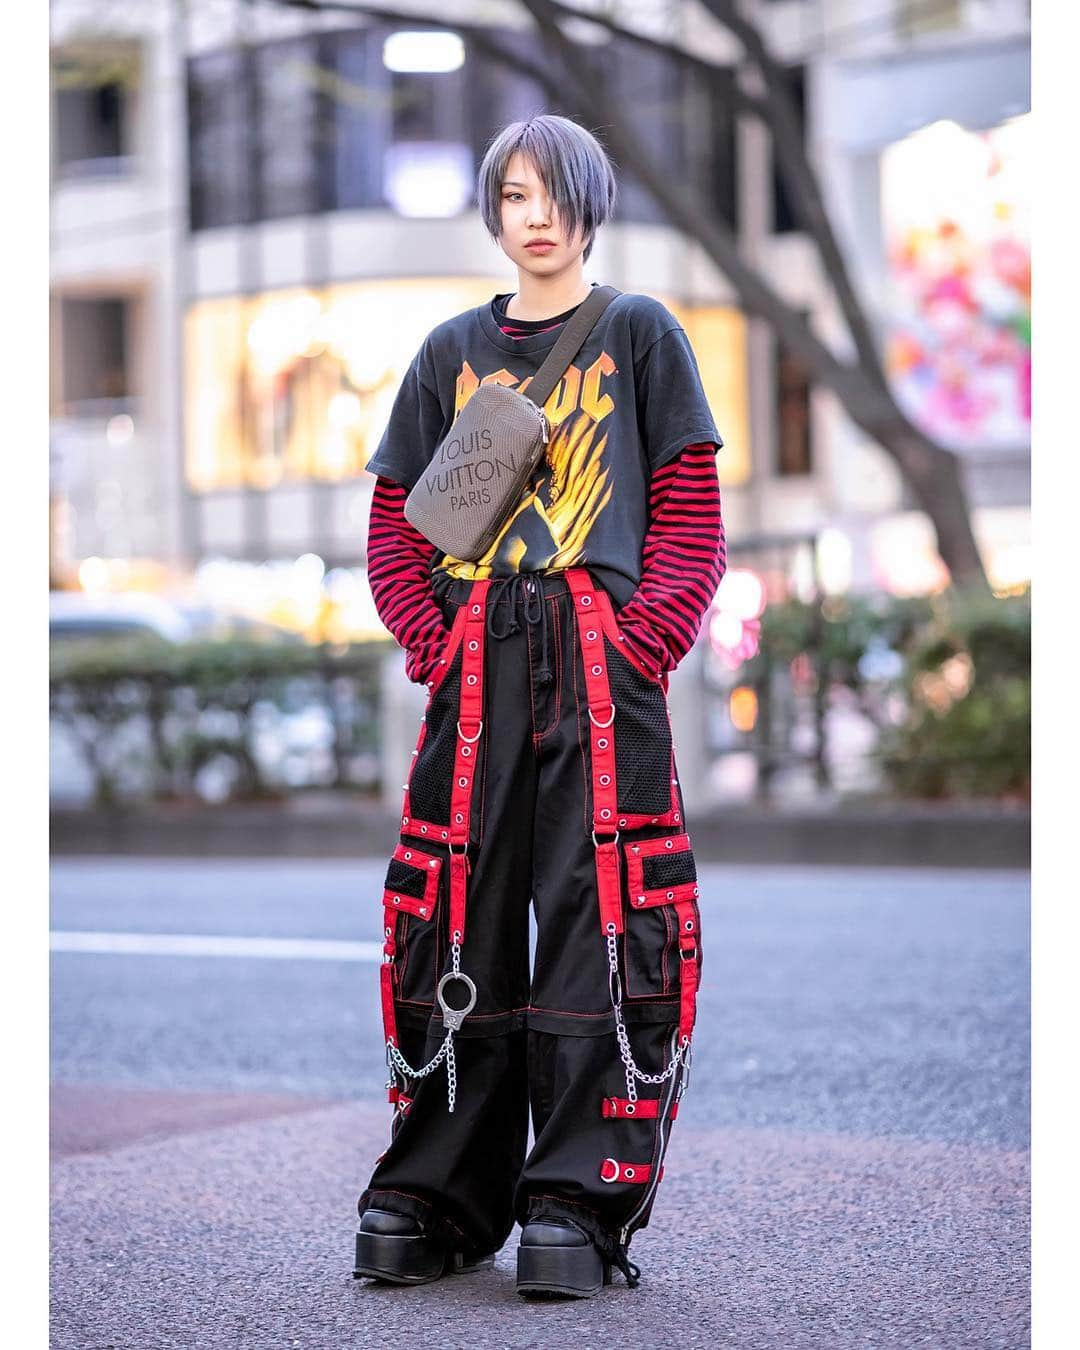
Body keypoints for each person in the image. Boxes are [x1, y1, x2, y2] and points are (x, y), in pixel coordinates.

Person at [354, 113, 726, 1299]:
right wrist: (436, 642)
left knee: (598, 908)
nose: (537, 214)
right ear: (493, 211)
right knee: (453, 904)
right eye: (515, 193)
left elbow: (689, 511)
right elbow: (391, 525)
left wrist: (641, 642)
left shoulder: (640, 334)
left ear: (590, 203)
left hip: (601, 661)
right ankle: (435, 1188)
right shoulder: (449, 348)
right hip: (478, 661)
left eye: (556, 192)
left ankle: (576, 1193)